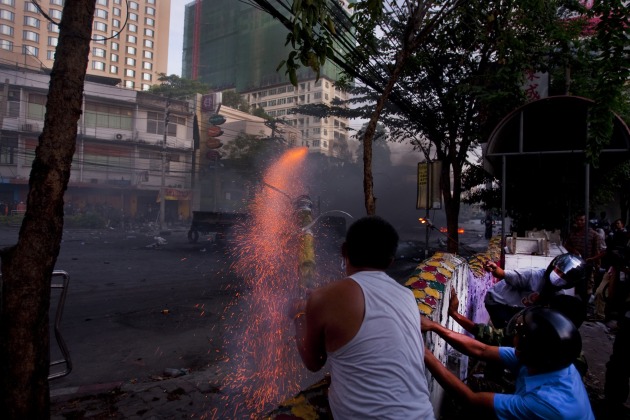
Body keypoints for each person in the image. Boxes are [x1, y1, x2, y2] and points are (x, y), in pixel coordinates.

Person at [288, 216, 435, 419]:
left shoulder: (324, 297)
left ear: (344, 251)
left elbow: (314, 363)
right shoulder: (407, 295)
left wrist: (298, 315)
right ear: (391, 260)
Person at [422, 307, 595, 419]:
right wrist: (435, 326)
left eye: (519, 337)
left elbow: (471, 400)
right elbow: (481, 350)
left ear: (532, 350)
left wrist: (423, 351)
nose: (514, 340)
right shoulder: (553, 361)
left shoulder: (547, 404)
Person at [448, 286, 588, 377]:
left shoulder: (569, 365)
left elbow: (471, 399)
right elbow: (489, 339)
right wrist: (455, 315)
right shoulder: (549, 345)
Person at [483, 253, 586, 328]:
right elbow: (504, 274)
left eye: (565, 277)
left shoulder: (558, 295)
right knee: (509, 329)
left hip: (518, 306)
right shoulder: (533, 275)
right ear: (552, 267)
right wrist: (495, 269)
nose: (559, 277)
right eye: (558, 271)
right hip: (497, 301)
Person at [563, 212, 606, 299]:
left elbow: (602, 251)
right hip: (574, 265)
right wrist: (573, 250)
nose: (579, 222)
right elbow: (566, 244)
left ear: (586, 221)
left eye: (582, 220)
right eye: (578, 220)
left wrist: (592, 259)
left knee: (587, 289)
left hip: (589, 266)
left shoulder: (594, 235)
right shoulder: (572, 233)